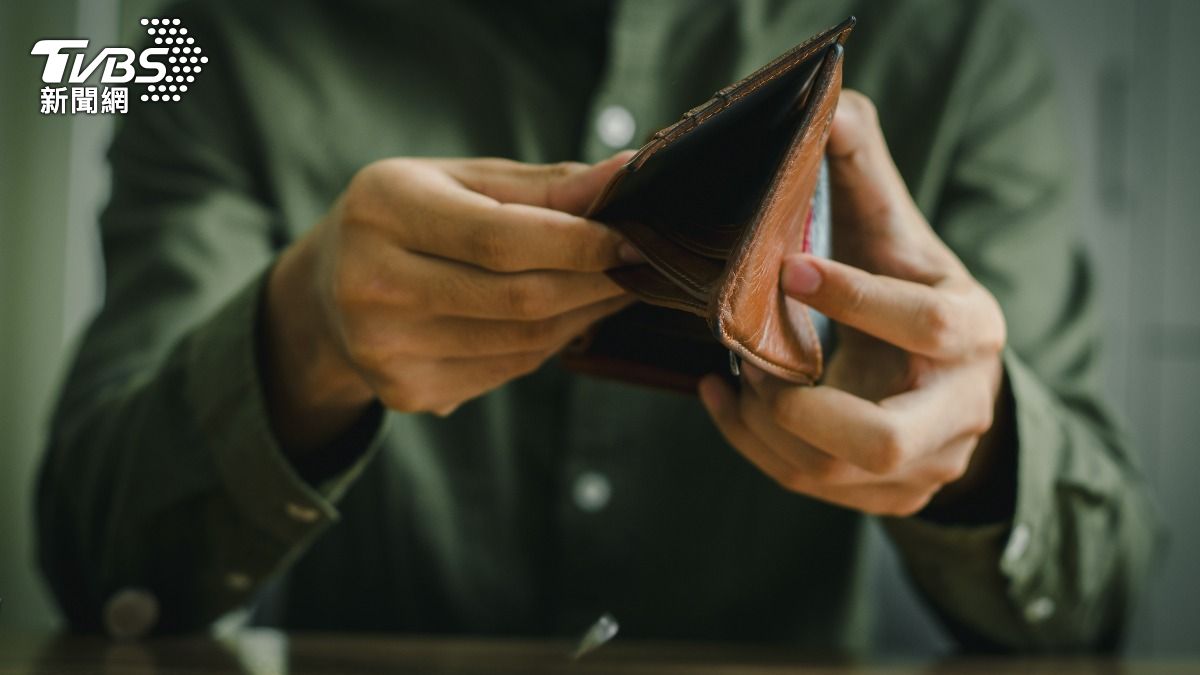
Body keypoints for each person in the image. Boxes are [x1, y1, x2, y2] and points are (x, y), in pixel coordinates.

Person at [38, 0, 1158, 650]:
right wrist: (301, 337)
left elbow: (1099, 601)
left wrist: (976, 455)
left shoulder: (960, 37)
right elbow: (100, 569)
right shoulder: (209, 38)